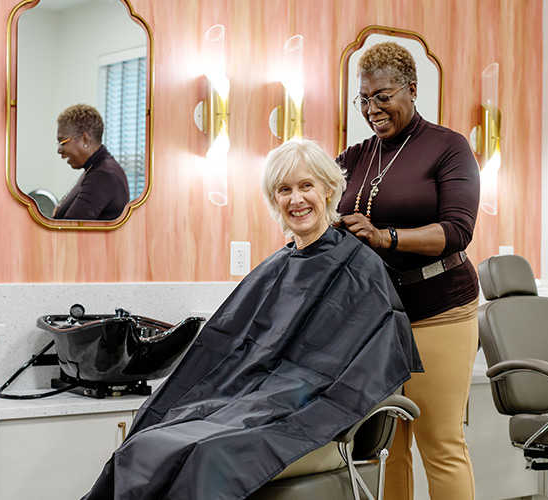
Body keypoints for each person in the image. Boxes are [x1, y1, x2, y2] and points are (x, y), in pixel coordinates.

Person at [82, 140, 422, 500]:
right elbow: (228, 347)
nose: (296, 199)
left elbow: (363, 366)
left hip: (305, 412)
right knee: (149, 436)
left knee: (206, 455)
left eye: (306, 186)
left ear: (328, 189)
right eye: (284, 190)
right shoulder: (277, 266)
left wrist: (276, 397)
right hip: (244, 402)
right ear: (274, 199)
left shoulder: (361, 269)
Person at [337, 42, 480, 500]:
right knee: (387, 447)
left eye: (382, 96)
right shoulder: (357, 156)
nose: (371, 109)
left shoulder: (448, 147)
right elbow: (319, 205)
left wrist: (384, 237)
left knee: (439, 443)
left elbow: (457, 231)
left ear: (412, 90)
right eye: (363, 98)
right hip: (379, 319)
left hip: (440, 311)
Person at [52, 104, 130, 220]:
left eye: (63, 143)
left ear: (85, 139)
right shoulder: (95, 168)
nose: (59, 150)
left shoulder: (102, 176)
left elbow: (70, 229)